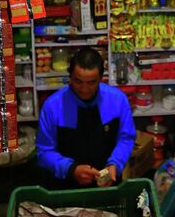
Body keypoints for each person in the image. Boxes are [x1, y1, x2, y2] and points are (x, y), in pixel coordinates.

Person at [35, 48, 136, 188]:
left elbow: (126, 139)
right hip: (65, 185)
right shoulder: (52, 106)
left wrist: (115, 164)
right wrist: (71, 169)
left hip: (107, 183)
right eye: (78, 81)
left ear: (101, 79)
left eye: (91, 83)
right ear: (70, 77)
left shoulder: (118, 100)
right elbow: (44, 152)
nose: (84, 89)